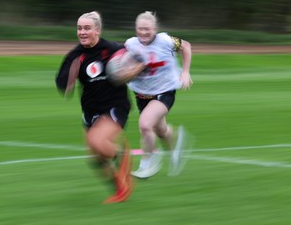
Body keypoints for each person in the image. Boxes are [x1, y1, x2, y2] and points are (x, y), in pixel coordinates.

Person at [55, 11, 134, 203]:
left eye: (87, 28)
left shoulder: (115, 49)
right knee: (96, 159)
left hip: (115, 106)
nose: (82, 32)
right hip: (90, 110)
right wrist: (68, 80)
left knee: (97, 141)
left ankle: (121, 154)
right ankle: (120, 189)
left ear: (97, 30)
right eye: (79, 28)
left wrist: (130, 69)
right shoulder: (75, 55)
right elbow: (62, 83)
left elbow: (137, 61)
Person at [124, 11, 193, 179]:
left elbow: (186, 46)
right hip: (142, 94)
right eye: (140, 29)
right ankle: (176, 144)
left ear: (154, 28)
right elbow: (123, 65)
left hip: (164, 91)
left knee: (145, 125)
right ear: (136, 29)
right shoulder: (130, 44)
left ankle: (148, 163)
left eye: (147, 29)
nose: (144, 32)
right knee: (160, 130)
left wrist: (185, 72)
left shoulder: (165, 41)